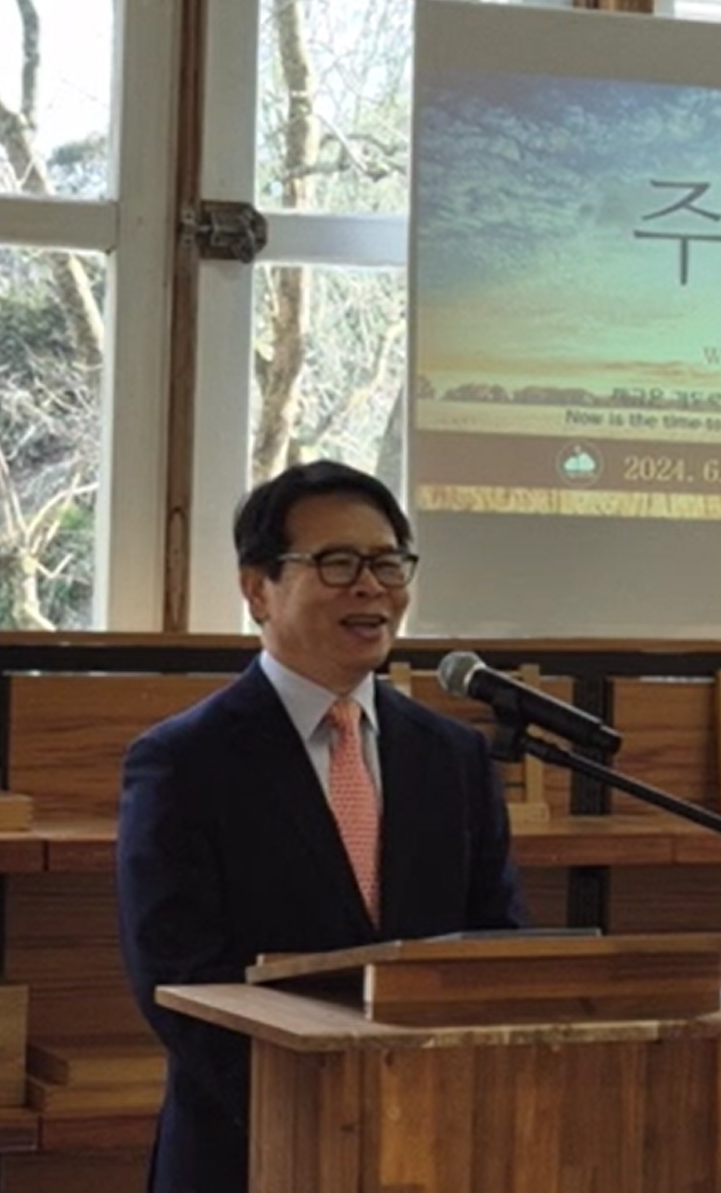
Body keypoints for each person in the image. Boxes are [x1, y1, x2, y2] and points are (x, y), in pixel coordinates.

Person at [116, 459, 527, 1193]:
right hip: (254, 1148)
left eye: (388, 563)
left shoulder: (452, 756)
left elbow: (494, 944)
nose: (371, 586)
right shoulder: (185, 761)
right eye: (337, 563)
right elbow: (178, 979)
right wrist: (335, 1110)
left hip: (434, 1142)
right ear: (257, 588)